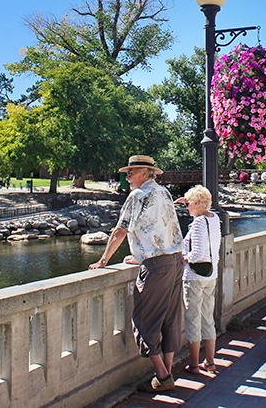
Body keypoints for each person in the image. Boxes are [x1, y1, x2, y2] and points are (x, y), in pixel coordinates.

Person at [89, 155, 184, 392]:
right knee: (170, 319)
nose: (127, 177)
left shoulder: (138, 195)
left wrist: (103, 261)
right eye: (127, 173)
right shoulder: (164, 193)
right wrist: (140, 255)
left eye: (131, 173)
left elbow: (120, 231)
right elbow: (161, 228)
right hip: (175, 261)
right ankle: (168, 372)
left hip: (157, 267)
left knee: (144, 320)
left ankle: (162, 377)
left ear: (145, 173)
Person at [174, 186, 221, 375]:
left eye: (189, 204)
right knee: (207, 318)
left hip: (194, 277)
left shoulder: (199, 222)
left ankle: (194, 364)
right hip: (210, 275)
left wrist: (183, 258)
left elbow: (197, 254)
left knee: (193, 319)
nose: (187, 208)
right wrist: (184, 200)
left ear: (197, 203)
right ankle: (210, 362)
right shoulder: (214, 218)